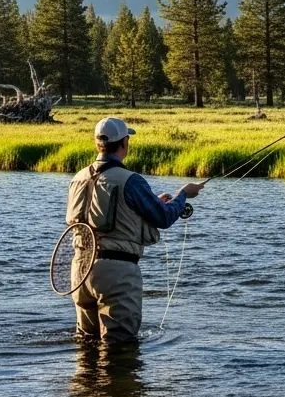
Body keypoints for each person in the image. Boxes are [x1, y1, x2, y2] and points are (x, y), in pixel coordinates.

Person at [67, 117, 203, 344]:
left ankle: (85, 380)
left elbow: (101, 214)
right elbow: (164, 217)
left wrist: (151, 203)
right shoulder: (130, 180)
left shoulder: (78, 178)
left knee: (86, 344)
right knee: (120, 347)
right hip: (117, 273)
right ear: (124, 143)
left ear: (97, 144)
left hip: (80, 270)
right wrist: (183, 194)